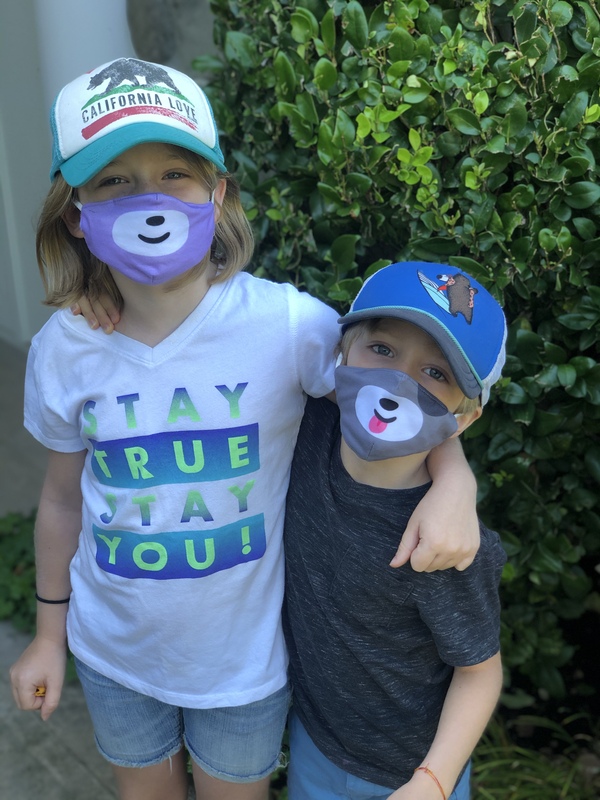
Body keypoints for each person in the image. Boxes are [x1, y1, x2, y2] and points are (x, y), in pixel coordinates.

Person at [10, 57, 478, 800]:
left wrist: (456, 482)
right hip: (112, 655)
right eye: (114, 181)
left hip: (243, 669)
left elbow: (393, 400)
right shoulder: (63, 349)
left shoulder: (288, 326)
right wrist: (47, 635)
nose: (148, 200)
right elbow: (64, 500)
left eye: (175, 174)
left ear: (218, 191)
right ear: (76, 214)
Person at [283, 261, 508, 800]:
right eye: (382, 349)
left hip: (413, 774)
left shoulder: (448, 545)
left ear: (463, 419)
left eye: (436, 373)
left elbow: (480, 673)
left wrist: (433, 782)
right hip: (314, 743)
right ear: (341, 354)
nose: (398, 382)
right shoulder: (304, 427)